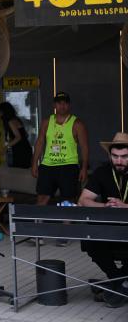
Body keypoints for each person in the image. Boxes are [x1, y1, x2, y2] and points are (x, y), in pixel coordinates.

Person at [77, 132, 128, 308]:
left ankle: (117, 285)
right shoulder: (103, 172)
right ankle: (121, 282)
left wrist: (124, 206)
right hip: (111, 231)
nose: (119, 161)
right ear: (109, 155)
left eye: (124, 157)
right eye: (115, 156)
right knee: (90, 240)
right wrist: (105, 206)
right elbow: (83, 200)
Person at [31, 92, 89, 205]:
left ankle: (66, 218)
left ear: (69, 105)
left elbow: (84, 147)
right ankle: (39, 217)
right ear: (54, 105)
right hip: (47, 165)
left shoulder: (77, 124)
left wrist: (84, 168)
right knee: (42, 198)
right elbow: (40, 142)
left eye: (65, 103)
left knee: (68, 200)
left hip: (68, 166)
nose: (62, 106)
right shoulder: (47, 122)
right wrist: (34, 163)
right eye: (59, 103)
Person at [0, 102, 33, 169]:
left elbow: (18, 137)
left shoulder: (11, 121)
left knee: (18, 171)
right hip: (25, 148)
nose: (0, 114)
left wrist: (6, 147)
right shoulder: (15, 119)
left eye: (0, 112)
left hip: (21, 151)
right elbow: (25, 135)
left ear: (4, 112)